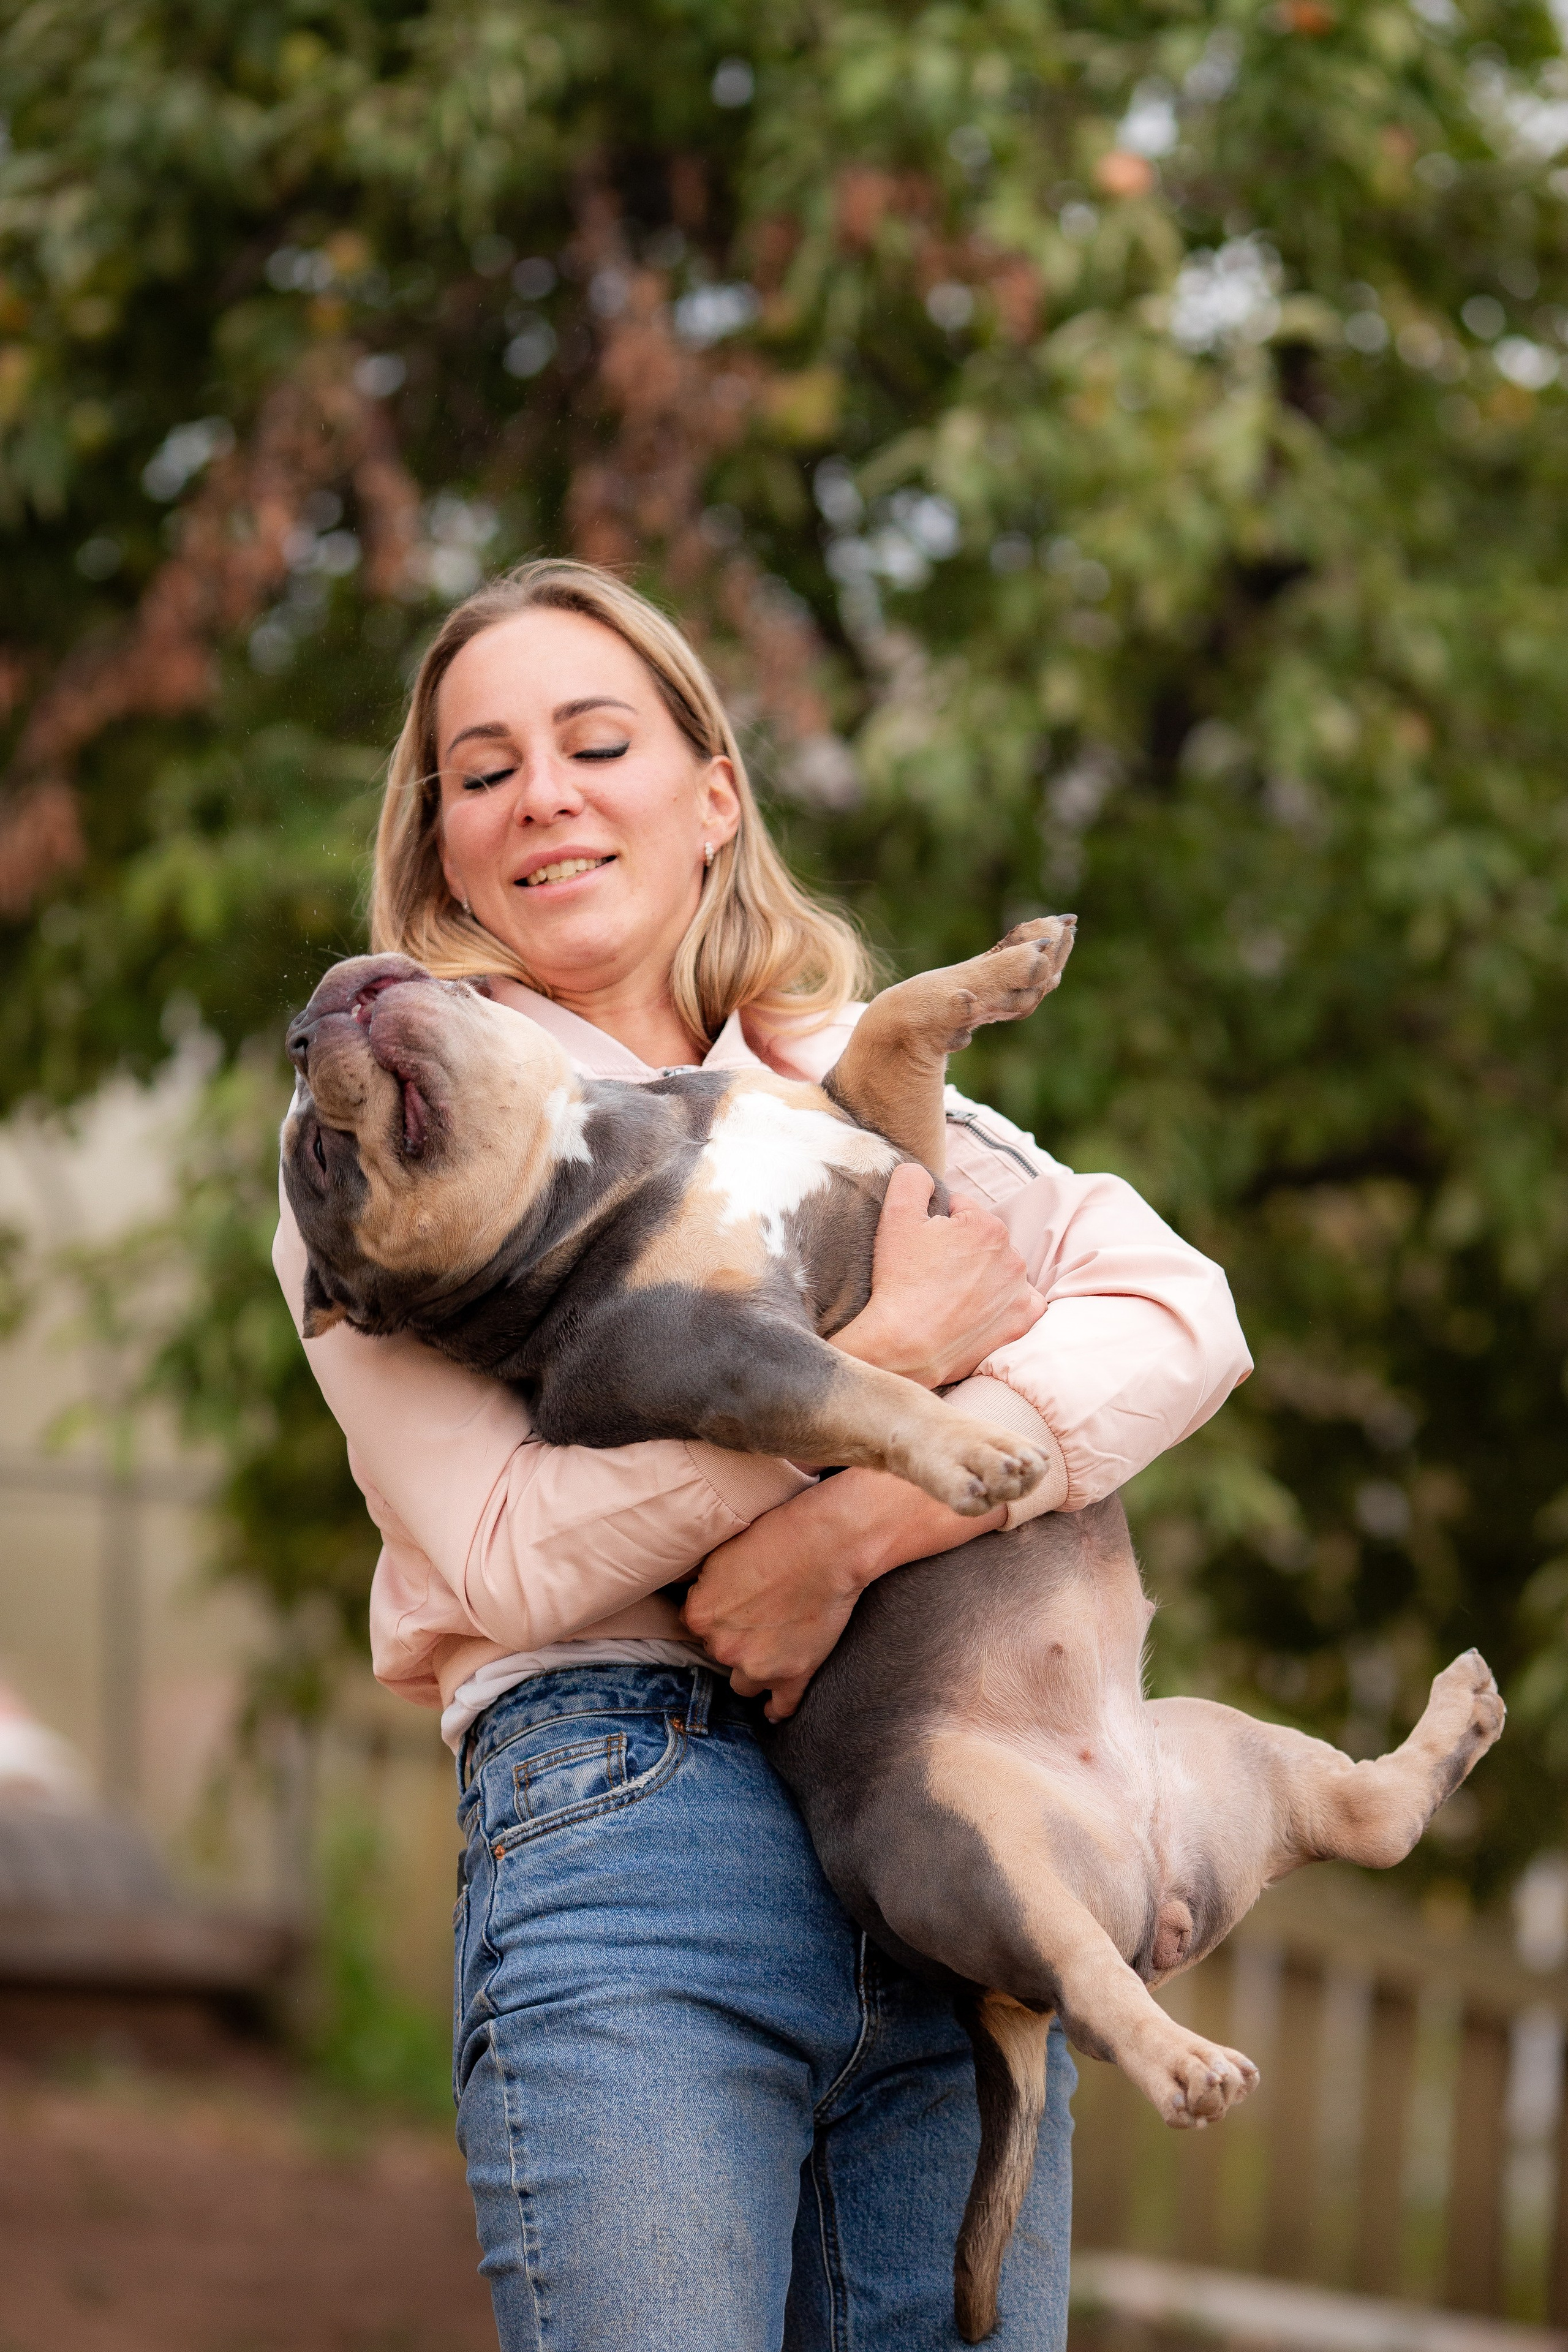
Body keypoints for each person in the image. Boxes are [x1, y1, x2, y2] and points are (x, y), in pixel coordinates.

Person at [273, 559, 1251, 2350]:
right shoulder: (382, 1161)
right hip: (633, 1821)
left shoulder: (848, 1079)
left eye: (595, 742)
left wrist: (846, 1540)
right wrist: (882, 1358)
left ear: (713, 794)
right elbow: (506, 1554)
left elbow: (1180, 1312)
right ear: (440, 848)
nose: (543, 796)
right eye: (482, 772)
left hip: (947, 1819)